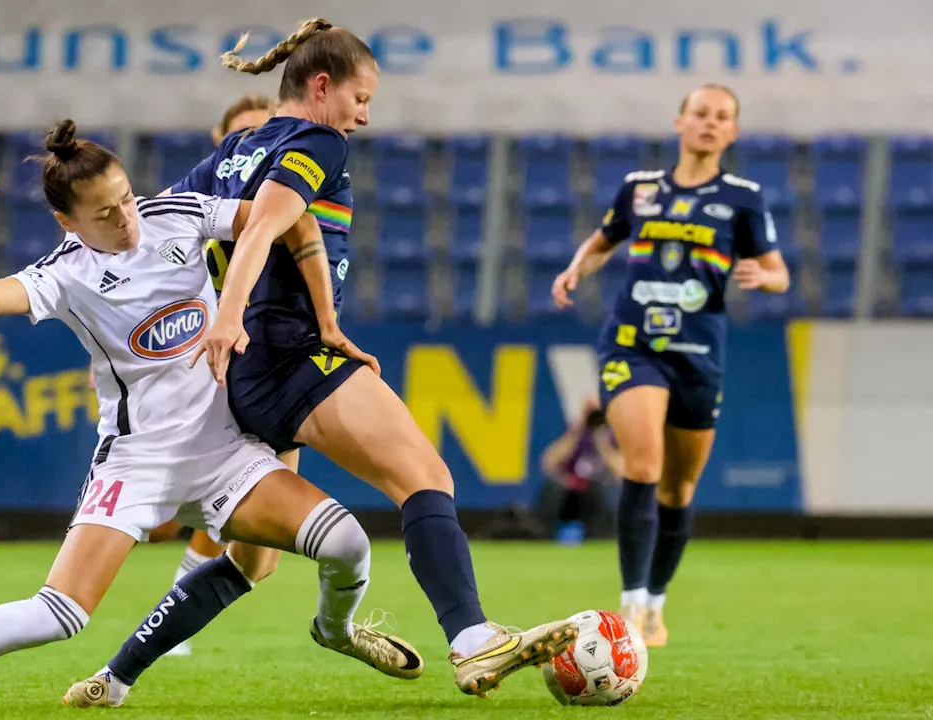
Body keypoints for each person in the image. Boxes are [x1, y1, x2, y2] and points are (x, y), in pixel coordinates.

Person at [0, 122, 422, 716]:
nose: (126, 217)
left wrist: (320, 313)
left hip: (225, 452)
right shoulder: (65, 273)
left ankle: (335, 631)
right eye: (104, 213)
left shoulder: (176, 213)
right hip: (137, 462)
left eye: (126, 198)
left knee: (347, 542)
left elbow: (277, 218)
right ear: (67, 221)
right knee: (59, 614)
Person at [73, 18, 578, 703]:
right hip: (285, 358)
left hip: (243, 379)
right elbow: (271, 226)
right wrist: (230, 316)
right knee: (424, 476)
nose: (364, 116)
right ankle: (471, 639)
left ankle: (114, 677)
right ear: (320, 85)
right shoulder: (317, 139)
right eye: (361, 98)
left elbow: (146, 250)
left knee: (252, 562)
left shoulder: (217, 166)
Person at [550, 84, 790, 647]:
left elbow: (778, 270)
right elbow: (604, 239)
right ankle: (630, 607)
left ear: (732, 132)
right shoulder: (640, 189)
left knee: (679, 488)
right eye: (700, 113)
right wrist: (576, 269)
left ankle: (655, 603)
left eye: (722, 117)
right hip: (632, 345)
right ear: (680, 122)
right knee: (643, 462)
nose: (709, 123)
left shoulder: (743, 197)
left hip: (699, 354)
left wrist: (765, 278)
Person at [142, 94, 277, 658]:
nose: (254, 148)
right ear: (220, 142)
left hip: (258, 363)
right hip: (189, 365)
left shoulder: (287, 204)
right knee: (158, 523)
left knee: (249, 534)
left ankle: (177, 598)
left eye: (264, 136)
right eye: (241, 136)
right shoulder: (185, 207)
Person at [534, 396, 623, 542]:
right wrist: (579, 428)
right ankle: (545, 535)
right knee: (552, 487)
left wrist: (601, 439)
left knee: (604, 491)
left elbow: (621, 472)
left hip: (598, 491)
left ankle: (597, 538)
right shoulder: (575, 435)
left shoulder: (615, 436)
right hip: (571, 490)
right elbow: (548, 463)